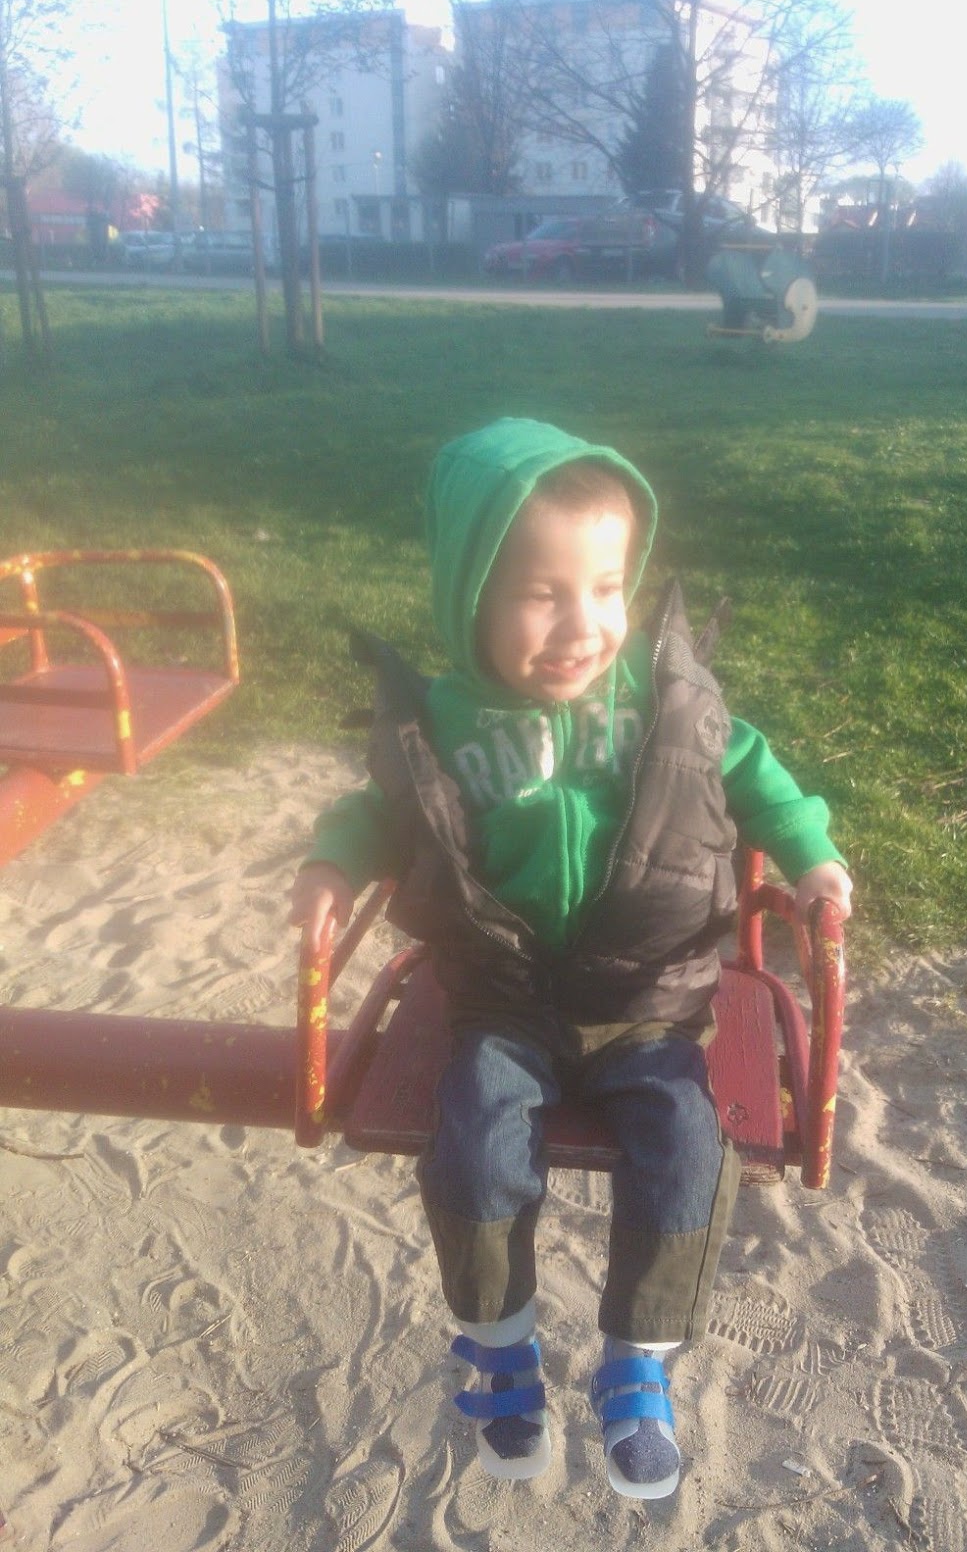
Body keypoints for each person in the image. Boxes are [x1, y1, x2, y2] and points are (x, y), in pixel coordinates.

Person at [290, 417, 852, 1500]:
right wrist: (330, 865)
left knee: (688, 1147)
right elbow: (379, 809)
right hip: (505, 997)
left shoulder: (658, 699)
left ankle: (638, 1364)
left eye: (605, 588)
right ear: (470, 597)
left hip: (647, 995)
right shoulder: (445, 719)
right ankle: (501, 1350)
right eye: (540, 595)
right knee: (471, 1140)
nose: (581, 624)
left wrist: (812, 854)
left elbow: (752, 769)